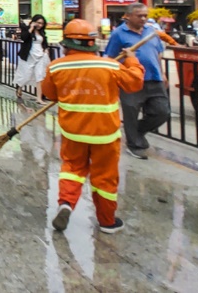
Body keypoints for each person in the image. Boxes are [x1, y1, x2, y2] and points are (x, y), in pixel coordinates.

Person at [42, 19, 144, 235]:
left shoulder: (56, 67)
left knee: (72, 169)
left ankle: (66, 203)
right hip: (105, 134)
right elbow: (134, 83)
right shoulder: (109, 65)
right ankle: (107, 222)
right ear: (92, 43)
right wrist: (132, 61)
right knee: (104, 177)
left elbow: (50, 94)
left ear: (66, 44)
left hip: (73, 133)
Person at [104, 2, 168, 160]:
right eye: (140, 16)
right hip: (130, 81)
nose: (144, 18)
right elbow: (111, 58)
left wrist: (162, 72)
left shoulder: (151, 31)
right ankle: (134, 145)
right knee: (131, 113)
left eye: (145, 15)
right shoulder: (119, 34)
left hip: (154, 78)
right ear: (129, 16)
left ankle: (136, 132)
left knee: (162, 112)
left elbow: (158, 53)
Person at [14, 15, 50, 105]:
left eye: (42, 23)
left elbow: (44, 43)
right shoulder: (27, 29)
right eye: (38, 23)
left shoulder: (42, 32)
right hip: (29, 55)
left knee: (39, 76)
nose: (40, 25)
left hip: (40, 55)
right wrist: (31, 28)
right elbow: (24, 38)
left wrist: (45, 49)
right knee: (26, 74)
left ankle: (39, 98)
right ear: (34, 22)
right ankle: (19, 86)